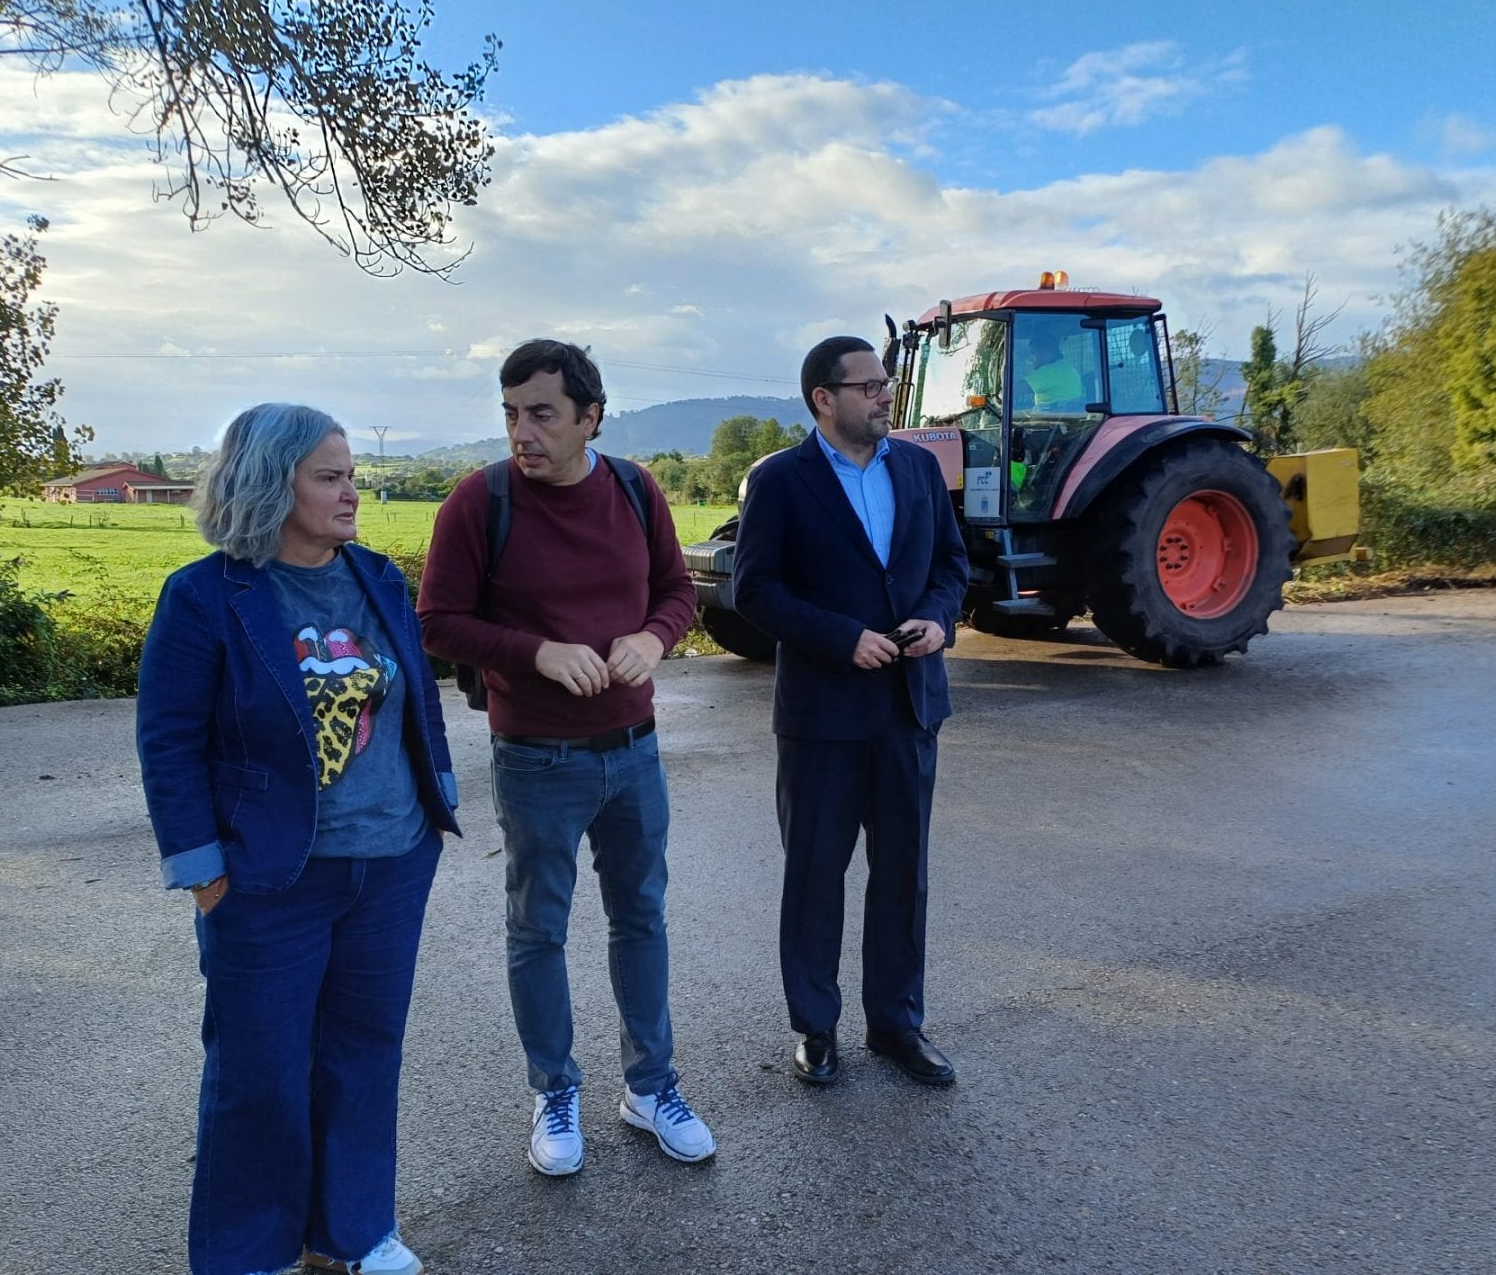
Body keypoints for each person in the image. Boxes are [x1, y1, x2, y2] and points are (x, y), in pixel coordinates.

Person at [137, 403, 459, 1275]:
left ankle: (349, 1233)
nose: (353, 491)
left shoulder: (380, 578)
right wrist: (204, 872)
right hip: (268, 876)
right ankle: (246, 1254)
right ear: (269, 484)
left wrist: (439, 801)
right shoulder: (207, 595)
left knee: (363, 1057)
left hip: (391, 863)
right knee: (259, 1074)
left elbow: (416, 696)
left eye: (352, 473)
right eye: (330, 476)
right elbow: (168, 738)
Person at [417, 338, 716, 1175]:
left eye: (542, 414)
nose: (522, 431)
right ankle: (554, 1092)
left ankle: (651, 1088)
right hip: (535, 758)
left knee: (642, 918)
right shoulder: (478, 503)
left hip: (635, 750)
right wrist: (535, 653)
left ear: (591, 417)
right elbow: (436, 622)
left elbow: (677, 591)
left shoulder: (633, 488)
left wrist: (654, 640)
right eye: (511, 413)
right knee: (537, 932)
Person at [732, 336, 969, 1088]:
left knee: (903, 873)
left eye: (886, 382)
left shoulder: (920, 469)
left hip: (908, 706)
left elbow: (950, 567)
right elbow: (755, 590)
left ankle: (898, 1023)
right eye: (869, 385)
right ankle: (817, 1027)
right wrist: (842, 639)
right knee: (815, 874)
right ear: (823, 399)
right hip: (822, 715)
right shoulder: (779, 481)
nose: (884, 394)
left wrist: (939, 621)